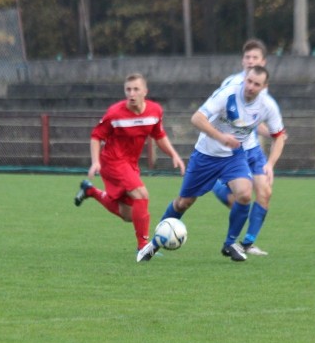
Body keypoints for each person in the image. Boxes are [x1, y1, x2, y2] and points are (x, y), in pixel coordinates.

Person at [137, 65, 283, 263]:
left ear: (264, 86)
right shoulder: (228, 94)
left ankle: (230, 243)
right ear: (244, 79)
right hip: (206, 155)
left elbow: (279, 136)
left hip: (234, 156)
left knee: (245, 194)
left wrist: (270, 163)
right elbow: (196, 118)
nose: (250, 87)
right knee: (183, 202)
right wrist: (221, 137)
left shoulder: (267, 105)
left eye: (256, 84)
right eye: (248, 81)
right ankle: (153, 244)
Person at [74, 73, 185, 257]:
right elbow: (96, 136)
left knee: (129, 214)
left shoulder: (154, 111)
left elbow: (158, 135)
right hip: (112, 162)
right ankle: (143, 247)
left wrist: (174, 155)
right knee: (142, 194)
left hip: (130, 164)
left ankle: (90, 191)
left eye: (136, 89)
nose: (131, 94)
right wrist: (95, 162)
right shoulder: (115, 113)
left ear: (145, 92)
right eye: (128, 90)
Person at [210, 39, 287, 255]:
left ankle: (247, 243)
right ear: (242, 61)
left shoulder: (262, 88)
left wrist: (274, 136)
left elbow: (256, 121)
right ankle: (216, 186)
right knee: (240, 199)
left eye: (255, 58)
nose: (250, 61)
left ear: (263, 62)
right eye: (247, 58)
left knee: (265, 192)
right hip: (232, 150)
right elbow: (222, 117)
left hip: (252, 149)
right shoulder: (232, 84)